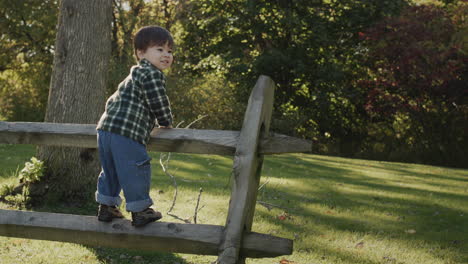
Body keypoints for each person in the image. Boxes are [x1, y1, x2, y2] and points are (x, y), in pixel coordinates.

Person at [95, 26, 174, 227]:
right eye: (160, 49)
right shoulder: (152, 74)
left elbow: (112, 101)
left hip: (105, 129)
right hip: (126, 133)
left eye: (169, 51)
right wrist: (165, 121)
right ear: (141, 53)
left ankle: (107, 207)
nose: (166, 55)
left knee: (110, 169)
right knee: (135, 168)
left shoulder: (134, 75)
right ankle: (140, 211)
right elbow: (158, 101)